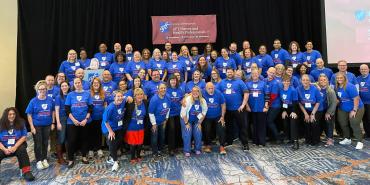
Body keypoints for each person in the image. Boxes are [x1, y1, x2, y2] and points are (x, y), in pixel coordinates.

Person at [217, 68, 249, 151]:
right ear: (226, 73)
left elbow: (246, 93)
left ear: (233, 72)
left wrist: (243, 105)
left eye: (231, 72)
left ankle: (245, 143)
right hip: (227, 109)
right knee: (228, 126)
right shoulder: (222, 82)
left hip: (239, 108)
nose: (229, 73)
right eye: (228, 72)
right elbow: (216, 92)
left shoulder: (239, 81)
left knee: (242, 127)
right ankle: (229, 141)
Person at [25, 80, 55, 170]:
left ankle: (44, 158)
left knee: (45, 142)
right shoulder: (33, 101)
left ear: (46, 90)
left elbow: (52, 111)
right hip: (37, 126)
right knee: (38, 143)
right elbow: (29, 114)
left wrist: (53, 122)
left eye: (44, 89)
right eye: (40, 89)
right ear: (37, 90)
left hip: (47, 125)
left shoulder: (50, 99)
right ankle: (38, 160)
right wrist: (31, 126)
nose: (42, 91)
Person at [0, 107, 35, 181]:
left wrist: (15, 147)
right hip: (3, 146)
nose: (12, 116)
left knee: (22, 150)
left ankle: (26, 172)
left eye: (13, 114)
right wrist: (4, 149)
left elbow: (24, 136)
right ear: (6, 115)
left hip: (17, 145)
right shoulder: (0, 124)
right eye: (9, 114)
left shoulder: (21, 122)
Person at [64, 78, 93, 168]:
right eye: (75, 83)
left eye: (79, 82)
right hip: (72, 122)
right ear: (74, 84)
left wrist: (86, 119)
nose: (77, 84)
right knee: (72, 140)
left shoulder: (87, 94)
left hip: (85, 121)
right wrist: (74, 120)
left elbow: (90, 107)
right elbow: (67, 109)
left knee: (85, 139)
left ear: (81, 83)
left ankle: (84, 157)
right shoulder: (70, 95)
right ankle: (71, 159)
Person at [336, 73, 365, 150]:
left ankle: (360, 141)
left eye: (341, 77)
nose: (339, 79)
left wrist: (354, 110)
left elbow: (356, 98)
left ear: (345, 78)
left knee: (354, 123)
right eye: (338, 78)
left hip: (357, 107)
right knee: (342, 122)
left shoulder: (350, 86)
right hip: (343, 108)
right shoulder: (337, 87)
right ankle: (347, 139)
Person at [101, 90, 127, 171]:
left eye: (121, 96)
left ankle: (111, 157)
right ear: (114, 98)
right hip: (108, 128)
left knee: (119, 140)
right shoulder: (110, 108)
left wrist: (128, 97)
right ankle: (115, 161)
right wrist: (110, 131)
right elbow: (105, 121)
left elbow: (126, 97)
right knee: (112, 141)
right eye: (117, 96)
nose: (120, 98)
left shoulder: (122, 102)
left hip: (118, 127)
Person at [180, 86, 208, 156]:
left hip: (196, 120)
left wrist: (199, 123)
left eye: (197, 91)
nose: (195, 92)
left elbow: (204, 112)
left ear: (199, 92)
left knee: (198, 132)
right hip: (186, 119)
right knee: (188, 132)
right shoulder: (188, 100)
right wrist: (186, 123)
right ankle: (187, 150)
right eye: (193, 91)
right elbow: (183, 113)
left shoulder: (203, 101)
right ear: (191, 92)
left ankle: (197, 149)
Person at [246, 69, 269, 147]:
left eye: (256, 73)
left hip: (261, 107)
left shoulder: (263, 83)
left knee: (261, 125)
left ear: (258, 74)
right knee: (254, 125)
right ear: (251, 74)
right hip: (251, 108)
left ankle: (262, 142)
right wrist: (247, 106)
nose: (254, 75)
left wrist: (266, 106)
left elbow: (267, 95)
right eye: (253, 73)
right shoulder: (248, 84)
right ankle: (255, 141)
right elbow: (245, 96)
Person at [123, 88, 147, 164]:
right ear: (134, 96)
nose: (140, 96)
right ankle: (133, 157)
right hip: (131, 127)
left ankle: (139, 155)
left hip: (141, 127)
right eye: (137, 95)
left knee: (140, 143)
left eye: (141, 94)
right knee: (133, 144)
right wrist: (126, 97)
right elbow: (120, 98)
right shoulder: (130, 103)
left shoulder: (145, 102)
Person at [297, 74, 322, 146]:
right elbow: (299, 102)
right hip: (305, 109)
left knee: (313, 122)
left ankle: (316, 140)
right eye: (303, 80)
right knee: (306, 121)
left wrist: (313, 114)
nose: (305, 81)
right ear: (301, 81)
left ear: (310, 81)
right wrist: (305, 114)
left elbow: (318, 102)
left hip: (317, 109)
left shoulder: (315, 89)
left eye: (307, 80)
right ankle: (308, 139)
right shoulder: (298, 89)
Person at [202, 82, 226, 154]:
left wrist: (222, 117)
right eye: (209, 88)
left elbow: (223, 105)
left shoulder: (218, 93)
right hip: (207, 116)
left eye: (212, 88)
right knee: (207, 129)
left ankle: (222, 146)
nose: (211, 90)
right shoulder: (202, 93)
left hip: (218, 116)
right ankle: (208, 145)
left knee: (222, 128)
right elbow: (193, 94)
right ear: (205, 89)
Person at [148, 83, 170, 157]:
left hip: (163, 121)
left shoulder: (168, 97)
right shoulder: (154, 99)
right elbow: (151, 113)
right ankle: (154, 152)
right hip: (155, 123)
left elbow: (168, 109)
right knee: (154, 137)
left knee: (162, 136)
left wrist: (166, 119)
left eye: (164, 88)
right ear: (158, 90)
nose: (163, 89)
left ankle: (160, 150)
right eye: (161, 88)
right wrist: (154, 124)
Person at [316, 74, 337, 147]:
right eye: (321, 80)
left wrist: (328, 113)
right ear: (318, 81)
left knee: (328, 122)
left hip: (328, 109)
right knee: (319, 123)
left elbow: (333, 103)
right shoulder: (316, 87)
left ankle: (330, 138)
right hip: (318, 110)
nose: (322, 81)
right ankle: (318, 136)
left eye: (324, 80)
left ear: (327, 81)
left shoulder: (330, 90)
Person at [166, 76, 185, 156]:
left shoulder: (180, 90)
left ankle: (177, 146)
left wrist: (183, 100)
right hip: (170, 114)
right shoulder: (166, 90)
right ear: (169, 81)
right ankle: (171, 149)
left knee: (178, 129)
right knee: (171, 130)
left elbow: (182, 99)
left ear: (177, 81)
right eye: (171, 80)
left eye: (174, 80)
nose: (173, 82)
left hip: (178, 113)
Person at [279, 75, 299, 149]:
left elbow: (295, 102)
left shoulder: (293, 90)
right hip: (285, 108)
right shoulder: (281, 89)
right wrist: (284, 111)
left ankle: (295, 141)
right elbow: (282, 101)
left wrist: (294, 112)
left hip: (293, 108)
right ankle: (289, 138)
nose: (286, 82)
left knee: (293, 122)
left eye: (288, 81)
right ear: (282, 81)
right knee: (285, 121)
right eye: (285, 81)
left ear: (290, 82)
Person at [89, 77, 106, 158]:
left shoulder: (103, 93)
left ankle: (99, 148)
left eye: (97, 83)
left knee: (99, 133)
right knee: (91, 133)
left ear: (100, 84)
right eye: (94, 83)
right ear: (92, 84)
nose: (96, 84)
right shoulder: (88, 93)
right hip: (91, 117)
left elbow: (105, 105)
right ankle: (91, 150)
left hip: (100, 117)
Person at [264, 67, 282, 143]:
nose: (271, 74)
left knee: (269, 121)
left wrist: (267, 105)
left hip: (275, 105)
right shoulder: (264, 80)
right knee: (267, 121)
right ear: (267, 72)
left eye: (273, 73)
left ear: (275, 74)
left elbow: (273, 96)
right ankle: (270, 137)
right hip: (268, 104)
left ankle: (277, 138)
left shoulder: (276, 83)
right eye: (270, 72)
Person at [55, 81, 70, 164]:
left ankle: (69, 156)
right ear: (60, 88)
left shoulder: (71, 95)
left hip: (70, 118)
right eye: (62, 86)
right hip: (62, 118)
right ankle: (60, 158)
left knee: (69, 138)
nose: (64, 87)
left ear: (68, 86)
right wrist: (58, 122)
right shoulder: (58, 97)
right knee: (61, 138)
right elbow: (56, 110)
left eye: (66, 85)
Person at [357, 64, 370, 138]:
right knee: (364, 119)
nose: (363, 70)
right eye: (361, 69)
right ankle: (367, 133)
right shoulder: (358, 78)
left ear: (368, 70)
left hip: (369, 103)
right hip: (361, 103)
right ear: (359, 70)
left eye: (365, 69)